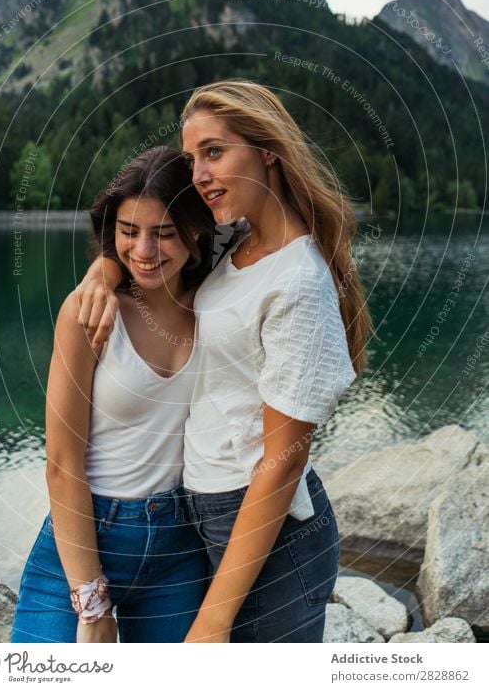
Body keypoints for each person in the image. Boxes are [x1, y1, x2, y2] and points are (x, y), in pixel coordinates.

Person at [78, 79, 373, 642]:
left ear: (268, 150)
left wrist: (212, 622)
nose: (198, 175)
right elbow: (154, 255)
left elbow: (283, 461)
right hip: (204, 512)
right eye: (192, 158)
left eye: (214, 152)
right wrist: (104, 270)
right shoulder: (234, 237)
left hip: (268, 531)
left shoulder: (297, 280)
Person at [11, 146, 215, 643]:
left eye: (163, 233)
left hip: (180, 546)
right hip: (84, 536)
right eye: (128, 233)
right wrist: (91, 599)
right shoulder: (89, 313)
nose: (143, 251)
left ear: (196, 232)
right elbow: (61, 462)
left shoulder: (219, 303)